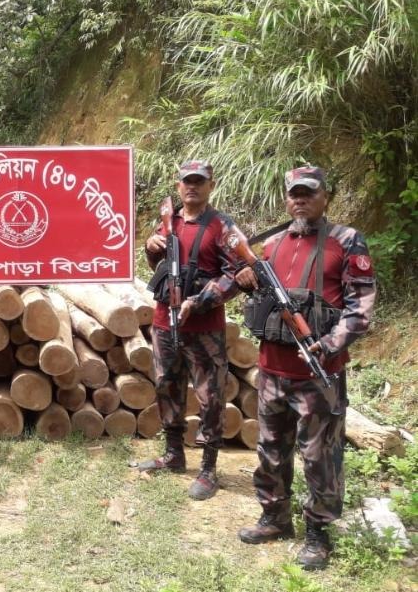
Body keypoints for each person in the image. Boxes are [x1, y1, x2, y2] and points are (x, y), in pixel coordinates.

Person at [235, 166, 375, 570]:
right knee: (270, 450)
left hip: (319, 373)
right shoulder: (273, 244)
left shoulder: (346, 241)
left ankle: (318, 534)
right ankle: (275, 517)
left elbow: (361, 307)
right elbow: (262, 295)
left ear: (325, 197)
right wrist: (246, 279)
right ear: (286, 199)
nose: (300, 199)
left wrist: (328, 343)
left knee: (320, 456)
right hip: (272, 369)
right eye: (294, 193)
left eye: (308, 192)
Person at [134, 159, 241, 500]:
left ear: (211, 185)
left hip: (204, 327)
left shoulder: (223, 227)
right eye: (186, 181)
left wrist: (203, 298)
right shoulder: (169, 220)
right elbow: (162, 264)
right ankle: (174, 453)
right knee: (167, 384)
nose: (192, 186)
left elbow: (238, 273)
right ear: (178, 185)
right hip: (166, 320)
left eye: (199, 181)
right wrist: (151, 249)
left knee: (210, 395)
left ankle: (209, 468)